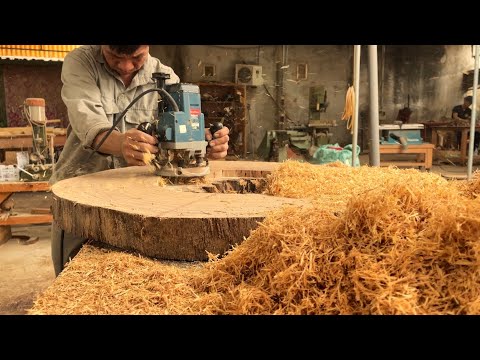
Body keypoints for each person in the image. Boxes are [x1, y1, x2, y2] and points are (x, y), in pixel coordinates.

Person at [50, 45, 230, 276]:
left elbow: (178, 129)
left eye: (136, 57)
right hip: (81, 192)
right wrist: (121, 143)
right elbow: (88, 124)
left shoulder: (167, 78)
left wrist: (203, 142)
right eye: (115, 56)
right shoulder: (81, 62)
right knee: (73, 273)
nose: (126, 66)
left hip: (137, 198)